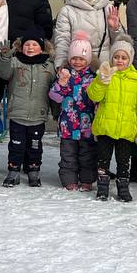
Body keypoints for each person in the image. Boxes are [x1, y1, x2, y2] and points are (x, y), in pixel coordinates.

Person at [87, 35, 137, 203]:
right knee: (103, 159)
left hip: (126, 130)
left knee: (124, 161)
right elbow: (93, 96)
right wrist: (101, 81)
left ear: (129, 59)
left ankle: (123, 188)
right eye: (116, 57)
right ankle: (103, 187)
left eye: (124, 57)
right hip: (105, 128)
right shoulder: (105, 75)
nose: (120, 60)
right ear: (111, 58)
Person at [0, 28, 54, 188]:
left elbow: (56, 88)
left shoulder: (48, 66)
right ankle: (13, 170)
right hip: (18, 114)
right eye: (27, 44)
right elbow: (3, 73)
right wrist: (5, 57)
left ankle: (33, 170)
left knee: (35, 145)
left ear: (41, 48)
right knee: (16, 145)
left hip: (38, 114)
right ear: (22, 47)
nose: (30, 47)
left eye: (34, 44)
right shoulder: (15, 62)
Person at [49, 33, 98, 191]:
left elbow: (98, 98)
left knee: (87, 155)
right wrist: (61, 84)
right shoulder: (65, 75)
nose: (77, 62)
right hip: (68, 126)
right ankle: (69, 179)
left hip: (87, 126)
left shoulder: (93, 77)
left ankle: (87, 179)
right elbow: (54, 97)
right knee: (68, 155)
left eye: (81, 59)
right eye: (74, 58)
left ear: (88, 60)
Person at [52, 0, 123, 71]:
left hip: (105, 69)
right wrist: (61, 66)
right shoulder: (67, 11)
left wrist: (115, 29)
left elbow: (120, 43)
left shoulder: (108, 8)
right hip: (78, 69)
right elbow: (62, 41)